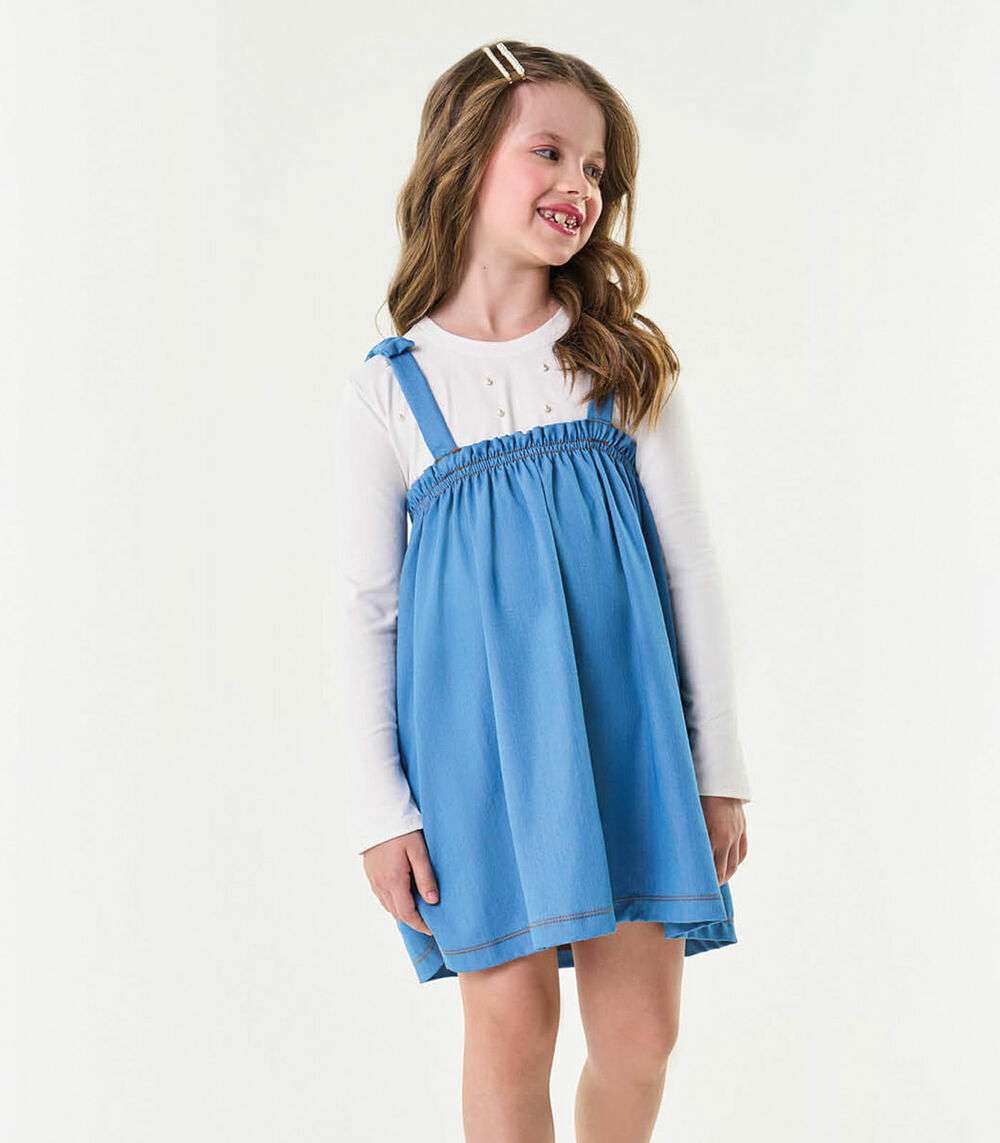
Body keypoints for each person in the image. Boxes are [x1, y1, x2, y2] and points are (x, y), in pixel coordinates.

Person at [333, 39, 752, 1142]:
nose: (581, 185)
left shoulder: (618, 362)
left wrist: (717, 767)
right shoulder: (393, 390)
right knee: (510, 1028)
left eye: (598, 169)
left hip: (627, 735)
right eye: (551, 152)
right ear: (466, 158)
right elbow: (367, 609)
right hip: (473, 754)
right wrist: (382, 810)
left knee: (641, 1033)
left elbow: (690, 569)